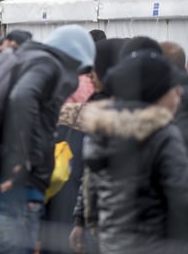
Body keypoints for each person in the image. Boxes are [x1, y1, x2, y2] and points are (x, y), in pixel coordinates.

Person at [0, 25, 95, 253]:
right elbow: (23, 97)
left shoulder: (18, 62)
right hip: (14, 194)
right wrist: (28, 162)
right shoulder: (48, 64)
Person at [78, 50, 188, 253]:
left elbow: (90, 198)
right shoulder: (163, 135)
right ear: (155, 93)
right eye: (173, 88)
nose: (179, 94)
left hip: (112, 245)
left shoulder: (100, 133)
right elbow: (181, 199)